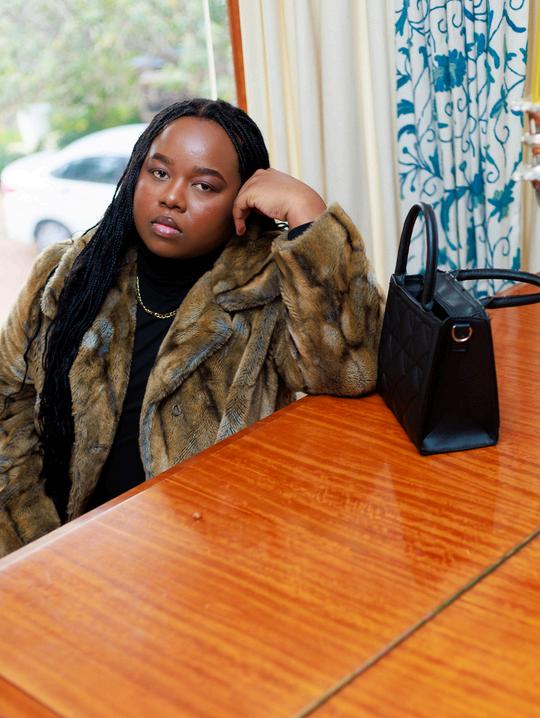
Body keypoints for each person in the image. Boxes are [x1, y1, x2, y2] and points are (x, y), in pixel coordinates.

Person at [0, 98, 384, 557]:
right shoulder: (68, 273)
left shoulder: (270, 289)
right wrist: (40, 545)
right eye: (159, 172)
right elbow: (8, 403)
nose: (172, 197)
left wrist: (309, 217)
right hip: (70, 551)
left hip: (207, 556)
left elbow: (352, 372)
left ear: (243, 203)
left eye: (204, 185)